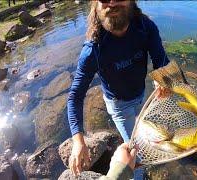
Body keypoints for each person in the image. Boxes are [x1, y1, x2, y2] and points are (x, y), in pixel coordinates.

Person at [67, 0, 170, 178]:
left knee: (141, 129)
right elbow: (75, 96)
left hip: (141, 94)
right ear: (95, 5)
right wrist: (78, 140)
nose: (112, 3)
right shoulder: (93, 50)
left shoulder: (145, 27)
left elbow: (161, 60)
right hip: (119, 105)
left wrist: (163, 78)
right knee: (136, 154)